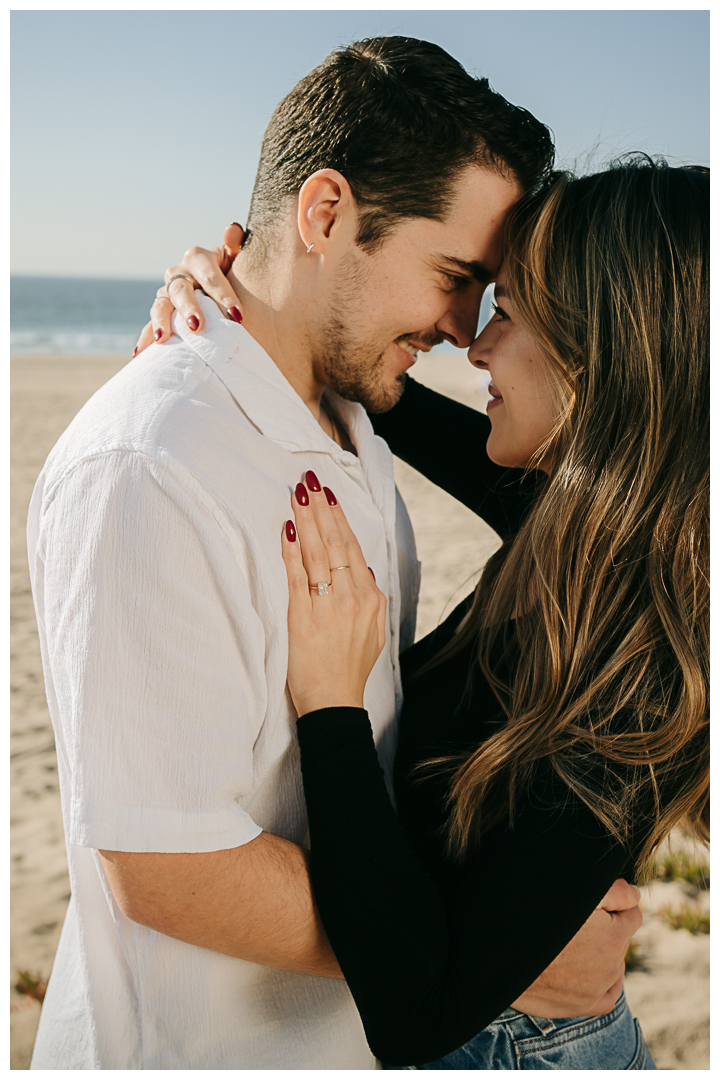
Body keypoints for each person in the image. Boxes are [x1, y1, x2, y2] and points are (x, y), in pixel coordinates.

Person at [26, 37, 634, 1070]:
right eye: (456, 278)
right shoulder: (155, 463)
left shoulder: (360, 422)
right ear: (323, 215)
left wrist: (497, 930)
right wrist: (487, 949)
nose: (463, 331)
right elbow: (165, 864)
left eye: (494, 297)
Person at [150, 158, 708, 1069]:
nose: (475, 345)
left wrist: (330, 705)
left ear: (609, 354)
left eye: (513, 313)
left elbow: (420, 1011)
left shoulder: (643, 671)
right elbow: (370, 378)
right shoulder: (567, 514)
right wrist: (226, 290)